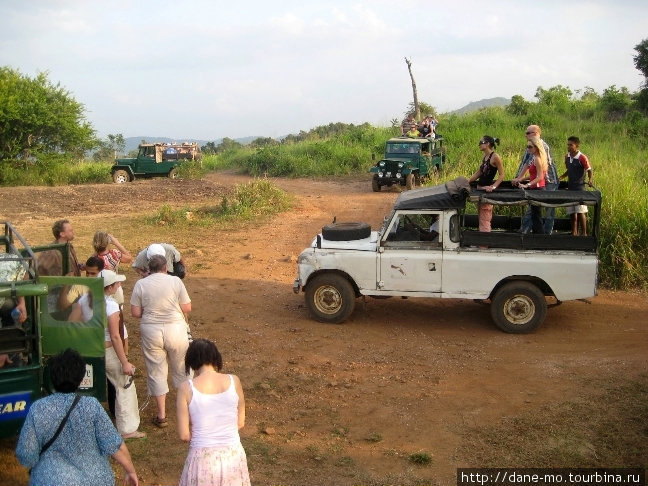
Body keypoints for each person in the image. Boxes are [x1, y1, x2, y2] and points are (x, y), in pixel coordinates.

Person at [15, 348, 139, 486]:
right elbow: (115, 445)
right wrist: (130, 470)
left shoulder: (37, 409)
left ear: (51, 377)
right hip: (95, 480)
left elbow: (26, 455)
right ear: (80, 378)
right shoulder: (92, 406)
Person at [176, 339, 250, 486]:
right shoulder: (234, 381)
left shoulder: (185, 388)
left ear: (191, 361)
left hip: (202, 458)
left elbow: (184, 435)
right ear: (215, 357)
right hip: (233, 455)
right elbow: (240, 423)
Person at [130, 254, 192, 428]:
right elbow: (187, 307)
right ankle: (186, 410)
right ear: (166, 268)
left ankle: (162, 414)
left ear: (149, 269)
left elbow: (135, 313)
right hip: (176, 329)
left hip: (151, 330)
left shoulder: (141, 284)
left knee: (156, 371)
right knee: (182, 368)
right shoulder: (175, 282)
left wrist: (150, 312)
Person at [99, 269, 145, 440]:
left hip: (90, 349)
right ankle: (127, 429)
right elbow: (115, 336)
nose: (119, 286)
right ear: (110, 288)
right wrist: (124, 362)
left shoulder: (86, 300)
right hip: (106, 350)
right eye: (116, 284)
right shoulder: (110, 305)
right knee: (124, 384)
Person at [514, 126, 556, 234]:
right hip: (538, 182)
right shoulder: (532, 148)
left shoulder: (541, 147)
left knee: (548, 209)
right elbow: (526, 163)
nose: (526, 135)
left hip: (548, 181)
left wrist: (526, 183)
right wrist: (519, 178)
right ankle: (527, 231)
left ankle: (544, 235)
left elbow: (541, 172)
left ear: (536, 133)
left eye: (528, 133)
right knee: (534, 210)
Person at [468, 136, 505, 232]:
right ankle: (482, 240)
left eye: (481, 142)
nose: (479, 144)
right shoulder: (485, 157)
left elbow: (502, 175)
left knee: (485, 217)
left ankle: (483, 244)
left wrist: (493, 187)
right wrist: (467, 181)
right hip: (480, 188)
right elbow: (479, 173)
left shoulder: (495, 157)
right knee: (481, 216)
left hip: (487, 190)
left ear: (487, 143)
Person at [512, 137, 548, 234]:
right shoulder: (534, 158)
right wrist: (521, 179)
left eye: (530, 147)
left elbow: (540, 177)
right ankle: (538, 235)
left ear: (536, 147)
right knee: (535, 214)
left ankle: (540, 236)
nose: (528, 149)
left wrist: (527, 185)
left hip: (538, 188)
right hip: (535, 187)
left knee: (536, 215)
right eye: (527, 146)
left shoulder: (537, 159)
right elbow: (533, 175)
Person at [559, 136, 593, 235]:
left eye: (571, 145)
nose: (568, 147)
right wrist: (561, 177)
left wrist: (590, 180)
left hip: (579, 188)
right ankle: (574, 232)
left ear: (576, 146)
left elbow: (589, 170)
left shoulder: (582, 157)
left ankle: (584, 233)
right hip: (570, 188)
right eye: (568, 145)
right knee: (572, 212)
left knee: (580, 211)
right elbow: (569, 170)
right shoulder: (567, 157)